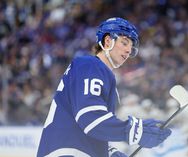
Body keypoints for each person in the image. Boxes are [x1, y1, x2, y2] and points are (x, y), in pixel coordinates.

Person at [37, 17, 172, 157]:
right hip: (66, 151)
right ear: (108, 41)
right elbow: (90, 118)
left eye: (131, 47)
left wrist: (111, 152)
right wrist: (134, 131)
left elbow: (95, 128)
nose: (128, 51)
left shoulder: (104, 76)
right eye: (124, 43)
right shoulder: (89, 65)